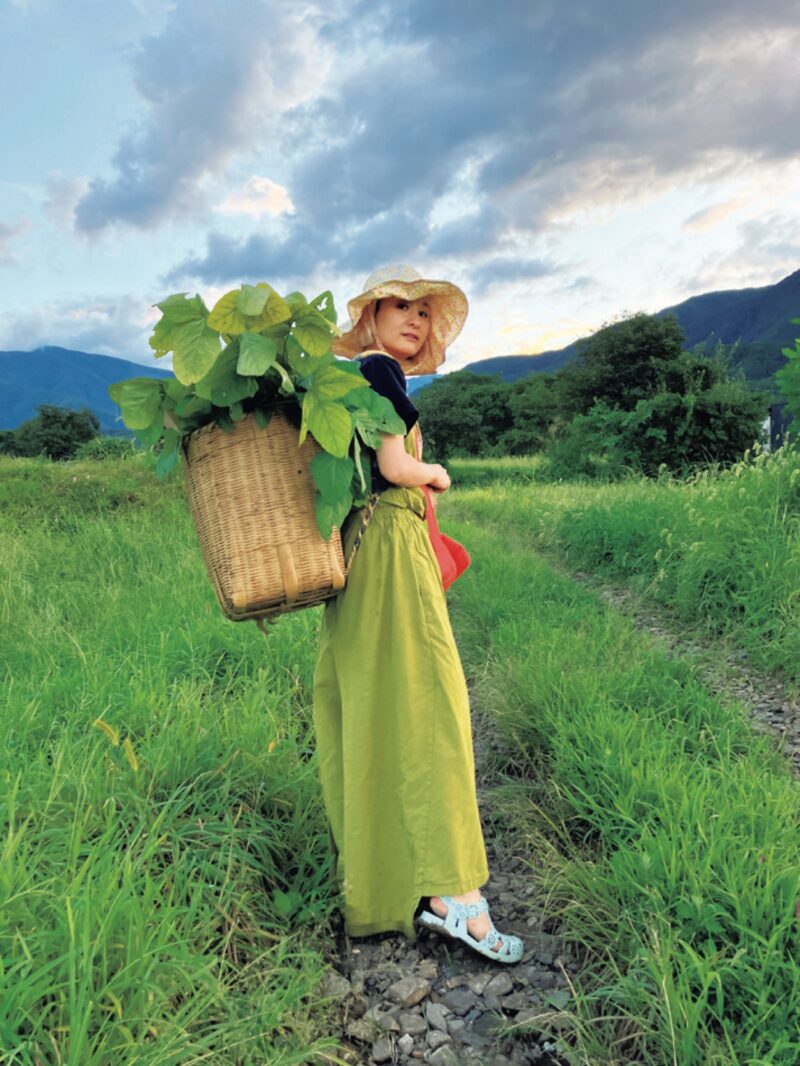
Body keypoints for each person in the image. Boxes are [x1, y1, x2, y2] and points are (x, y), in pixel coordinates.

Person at [312, 264, 523, 964]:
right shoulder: (379, 373)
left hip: (357, 553)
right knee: (433, 703)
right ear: (370, 317)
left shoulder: (356, 379)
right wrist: (436, 474)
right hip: (391, 546)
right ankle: (452, 895)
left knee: (371, 707)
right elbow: (397, 465)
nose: (414, 319)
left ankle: (381, 885)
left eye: (425, 312)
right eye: (399, 305)